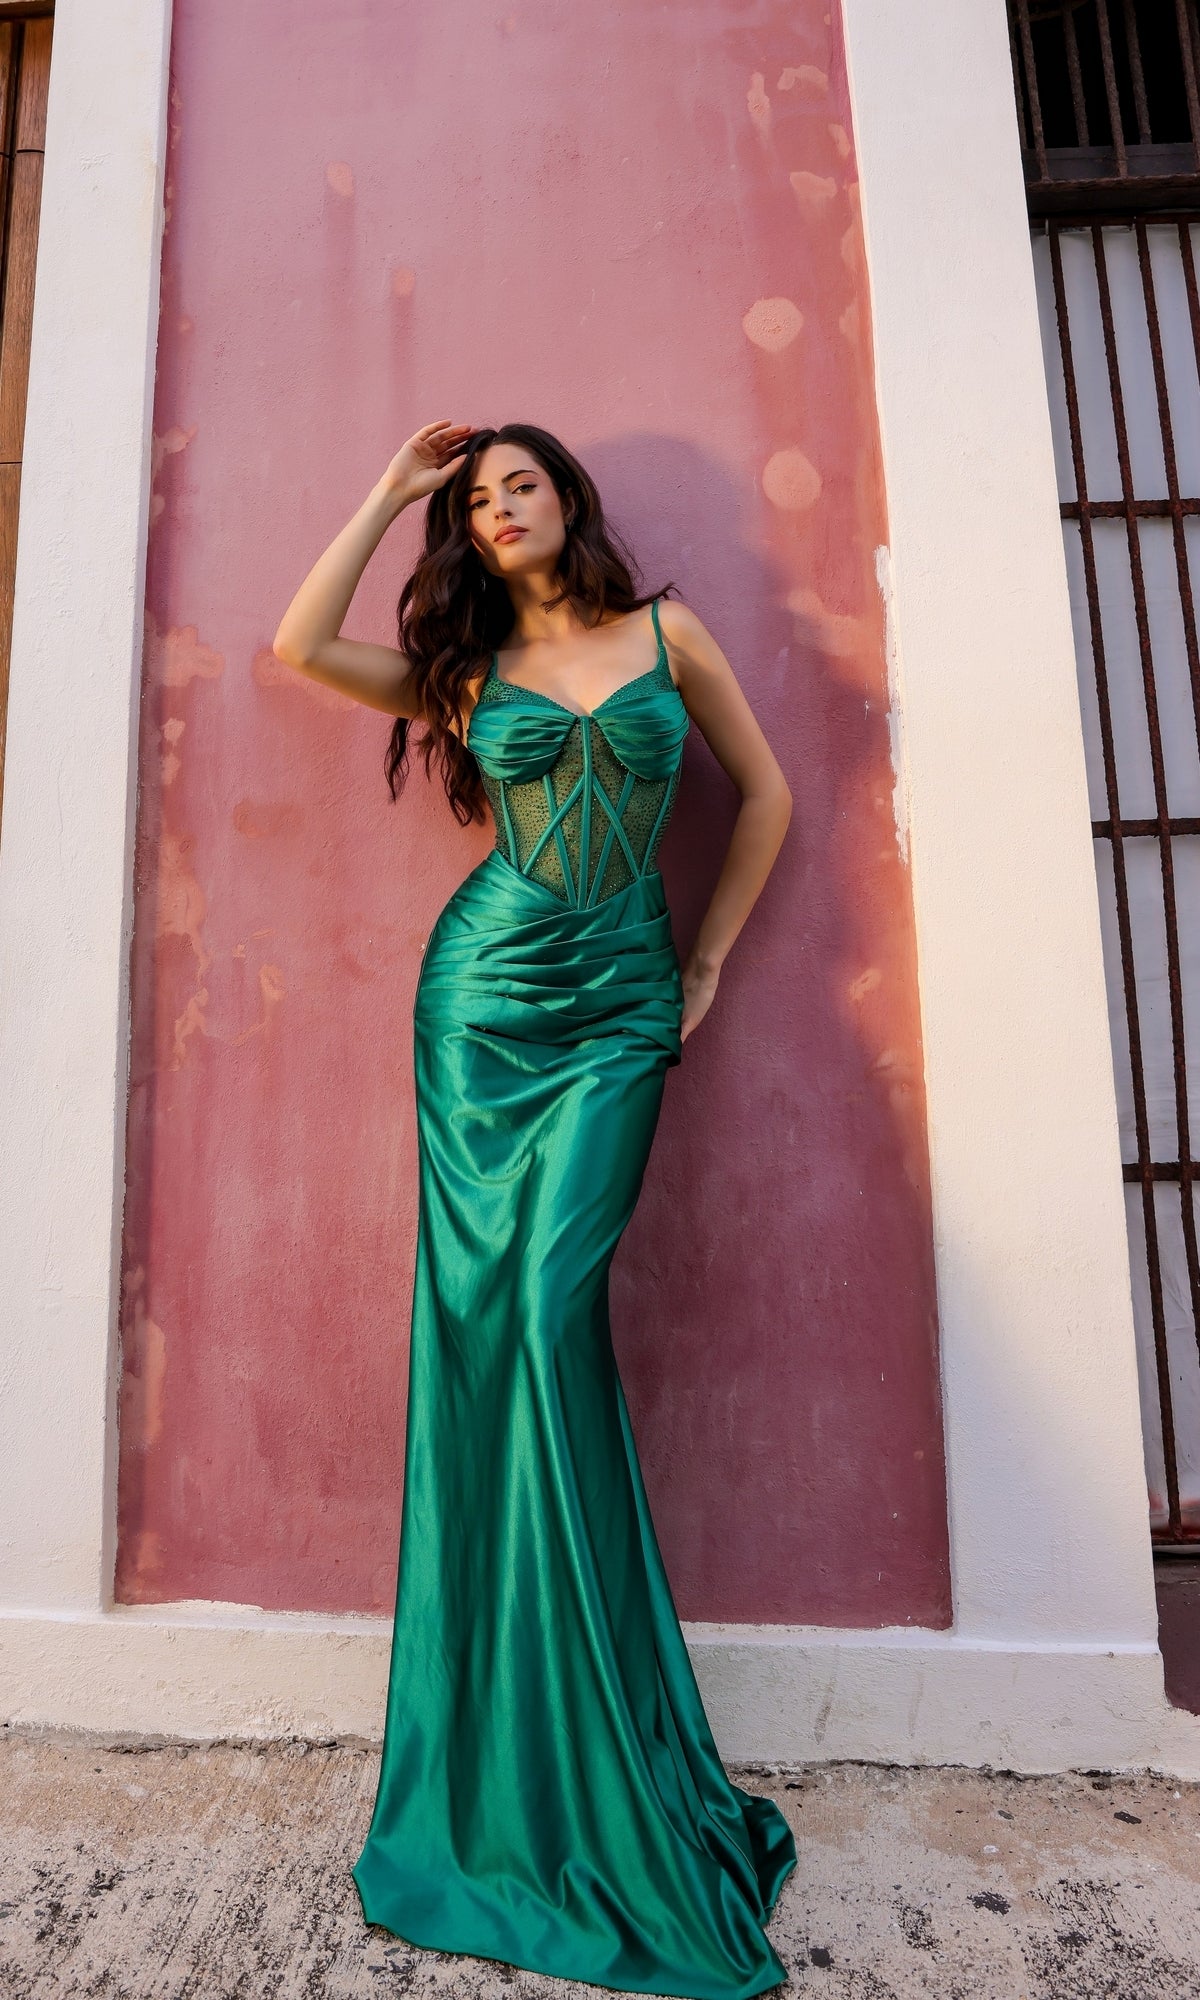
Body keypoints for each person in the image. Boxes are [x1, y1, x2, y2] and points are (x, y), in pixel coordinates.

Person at [273, 420, 796, 1998]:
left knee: (553, 1313)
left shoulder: (669, 633)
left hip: (622, 1001)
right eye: (475, 497)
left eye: (520, 483)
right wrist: (384, 490)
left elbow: (767, 798)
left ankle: (594, 1728)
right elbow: (299, 646)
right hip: (485, 999)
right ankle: (509, 1732)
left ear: (568, 498)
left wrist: (706, 962)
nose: (498, 508)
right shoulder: (462, 673)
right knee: (486, 1325)